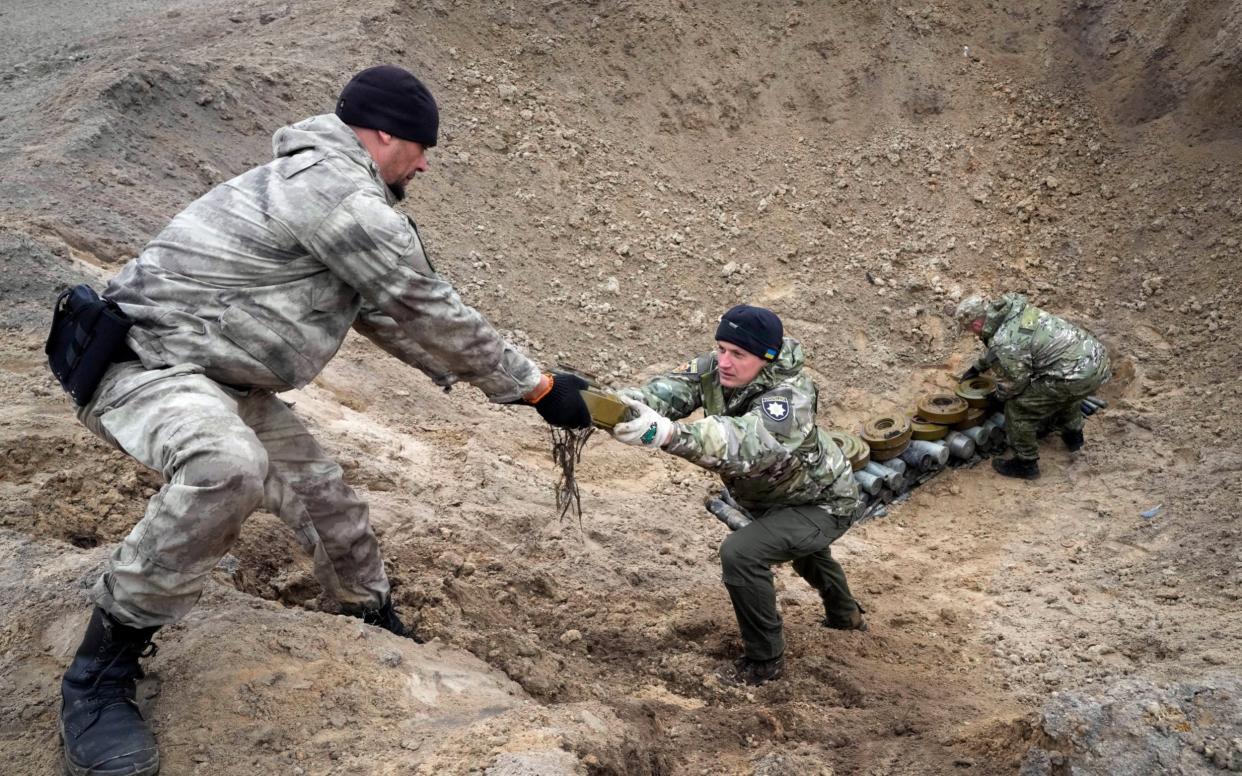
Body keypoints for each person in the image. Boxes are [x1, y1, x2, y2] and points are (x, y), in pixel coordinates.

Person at [55, 65, 590, 776]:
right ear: (383, 135)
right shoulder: (337, 193)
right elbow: (421, 304)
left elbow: (382, 315)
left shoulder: (330, 185)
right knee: (227, 468)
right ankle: (98, 675)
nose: (425, 163)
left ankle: (370, 623)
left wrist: (510, 387)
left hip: (222, 380)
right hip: (151, 369)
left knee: (332, 512)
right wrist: (537, 387)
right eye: (421, 148)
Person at [609, 305, 865, 686]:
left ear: (767, 357)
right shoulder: (715, 369)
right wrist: (621, 407)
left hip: (823, 502)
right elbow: (665, 392)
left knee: (742, 553)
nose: (725, 362)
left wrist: (666, 435)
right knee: (809, 555)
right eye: (721, 349)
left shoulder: (790, 398)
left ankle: (765, 662)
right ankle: (847, 618)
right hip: (775, 498)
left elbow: (743, 444)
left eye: (738, 354)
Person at [955, 292, 1110, 480]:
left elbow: (1015, 382)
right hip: (1094, 359)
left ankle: (1026, 463)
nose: (973, 334)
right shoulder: (1016, 311)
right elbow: (1014, 345)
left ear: (977, 324)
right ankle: (1073, 437)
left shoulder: (1004, 341)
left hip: (1074, 375)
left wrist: (997, 398)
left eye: (970, 330)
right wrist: (978, 367)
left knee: (1019, 407)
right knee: (1063, 396)